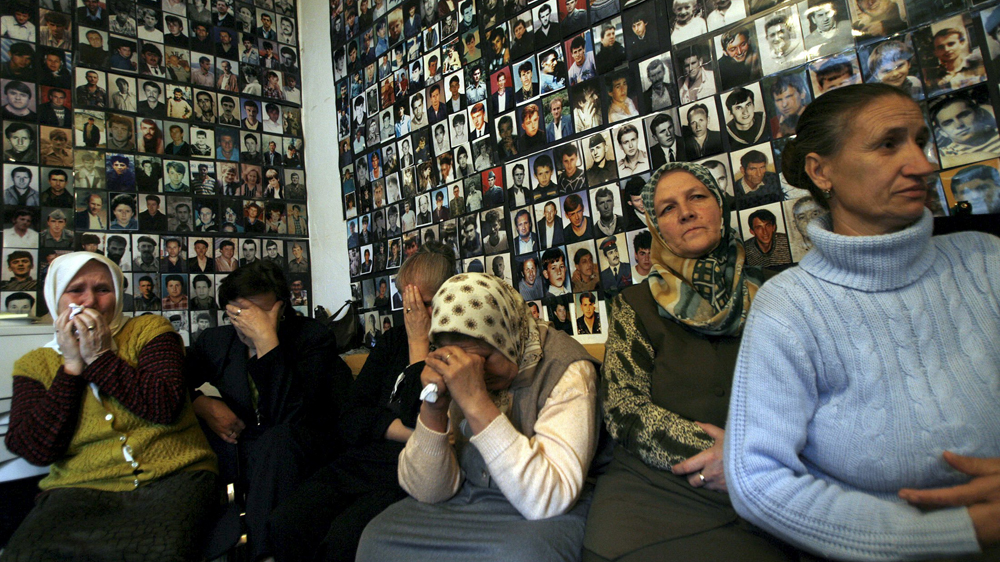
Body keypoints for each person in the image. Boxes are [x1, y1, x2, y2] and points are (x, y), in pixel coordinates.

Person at [726, 83, 1000, 561]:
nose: (922, 164)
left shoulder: (987, 261)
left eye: (920, 141)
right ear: (821, 171)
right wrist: (959, 531)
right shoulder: (790, 306)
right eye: (888, 144)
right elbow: (757, 478)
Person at [583, 161, 781, 561]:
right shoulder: (634, 305)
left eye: (697, 197)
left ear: (719, 207)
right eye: (668, 208)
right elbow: (623, 410)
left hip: (763, 485)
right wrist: (724, 455)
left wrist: (748, 460)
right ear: (657, 227)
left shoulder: (776, 293)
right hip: (651, 495)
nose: (686, 212)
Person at [356, 272, 600, 561]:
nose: (473, 371)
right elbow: (429, 492)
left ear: (508, 338)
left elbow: (550, 498)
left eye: (483, 358)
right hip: (469, 496)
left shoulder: (567, 369)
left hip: (544, 511)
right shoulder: (453, 367)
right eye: (458, 359)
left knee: (524, 555)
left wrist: (476, 401)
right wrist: (433, 409)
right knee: (376, 539)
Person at [3, 253, 218, 561]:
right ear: (55, 297)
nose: (90, 300)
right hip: (78, 489)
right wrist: (71, 367)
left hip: (173, 476)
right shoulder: (35, 364)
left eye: (103, 289)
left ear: (117, 294)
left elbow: (165, 407)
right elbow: (37, 449)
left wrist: (100, 357)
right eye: (76, 290)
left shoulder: (150, 330)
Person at [269, 243, 453, 561]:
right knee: (287, 521)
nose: (413, 315)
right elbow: (351, 417)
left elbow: (419, 416)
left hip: (408, 471)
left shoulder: (454, 347)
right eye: (407, 304)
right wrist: (405, 432)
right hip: (363, 460)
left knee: (345, 539)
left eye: (421, 304)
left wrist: (418, 344)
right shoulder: (392, 342)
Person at [185, 260, 352, 561]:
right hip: (245, 447)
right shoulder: (216, 342)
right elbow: (173, 383)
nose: (248, 322)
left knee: (278, 440)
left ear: (281, 308)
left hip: (300, 445)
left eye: (258, 313)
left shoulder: (312, 338)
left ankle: (264, 554)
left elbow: (291, 417)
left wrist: (267, 343)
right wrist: (203, 404)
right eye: (239, 312)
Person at [929, 93, 1000, 169]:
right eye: (948, 123)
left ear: (979, 114)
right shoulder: (942, 155)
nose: (958, 125)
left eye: (963, 115)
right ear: (942, 132)